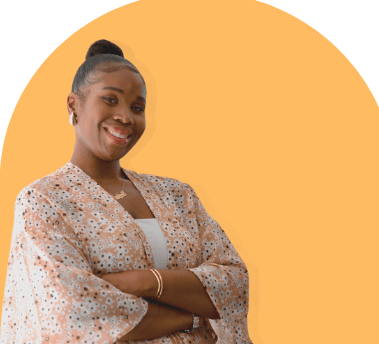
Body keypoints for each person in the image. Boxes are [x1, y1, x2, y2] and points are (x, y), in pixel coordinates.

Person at [1, 40, 252, 344]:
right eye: (110, 100)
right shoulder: (45, 200)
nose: (125, 117)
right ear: (73, 105)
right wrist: (194, 316)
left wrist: (145, 282)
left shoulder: (177, 195)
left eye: (137, 107)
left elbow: (233, 283)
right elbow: (75, 310)